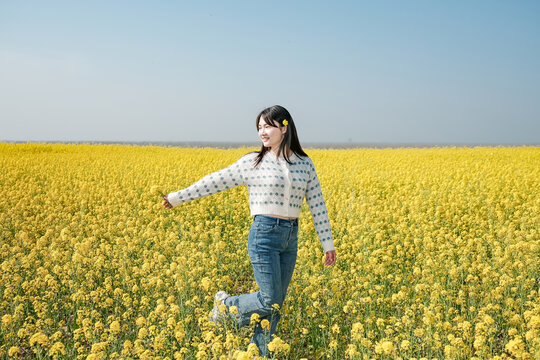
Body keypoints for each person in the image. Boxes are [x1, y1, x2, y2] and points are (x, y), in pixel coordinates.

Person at [162, 105, 337, 357]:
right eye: (259, 127)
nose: (262, 132)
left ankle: (259, 353)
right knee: (269, 299)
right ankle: (225, 307)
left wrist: (327, 244)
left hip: (290, 237)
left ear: (284, 128)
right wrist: (178, 197)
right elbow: (214, 181)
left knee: (274, 307)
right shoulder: (252, 163)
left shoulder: (304, 163)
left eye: (268, 126)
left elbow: (317, 204)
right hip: (264, 235)